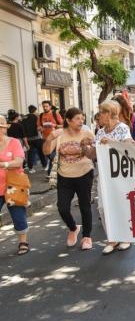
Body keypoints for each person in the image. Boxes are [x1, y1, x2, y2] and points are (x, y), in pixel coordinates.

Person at [84, 100, 135, 254]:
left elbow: (128, 148)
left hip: (120, 174)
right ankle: (112, 238)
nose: (99, 115)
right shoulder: (100, 132)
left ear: (109, 113)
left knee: (121, 204)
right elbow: (92, 155)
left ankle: (125, 237)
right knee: (103, 207)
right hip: (104, 174)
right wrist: (85, 146)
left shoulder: (123, 128)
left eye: (101, 112)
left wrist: (112, 142)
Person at [43, 107, 95, 250]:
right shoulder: (59, 134)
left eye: (82, 118)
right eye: (77, 118)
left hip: (84, 174)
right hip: (65, 176)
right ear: (68, 120)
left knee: (85, 206)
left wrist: (88, 147)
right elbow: (46, 151)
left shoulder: (87, 133)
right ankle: (73, 228)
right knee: (62, 208)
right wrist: (49, 138)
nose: (81, 121)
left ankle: (87, 237)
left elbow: (94, 156)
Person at [0, 115, 29, 255]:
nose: (0, 129)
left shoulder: (14, 142)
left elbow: (19, 162)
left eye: (1, 127)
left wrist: (3, 164)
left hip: (14, 185)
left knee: (18, 215)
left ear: (6, 128)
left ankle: (23, 241)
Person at [37, 100, 63, 177]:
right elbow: (38, 126)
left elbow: (63, 125)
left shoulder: (55, 114)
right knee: (48, 155)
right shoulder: (41, 115)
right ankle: (56, 171)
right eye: (43, 106)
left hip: (55, 138)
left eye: (46, 106)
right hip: (45, 138)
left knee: (52, 156)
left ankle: (50, 173)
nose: (45, 108)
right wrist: (40, 128)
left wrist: (55, 125)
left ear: (50, 107)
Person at [22, 105, 46, 172]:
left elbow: (23, 128)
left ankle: (31, 168)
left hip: (28, 139)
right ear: (35, 110)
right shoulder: (37, 117)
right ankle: (44, 166)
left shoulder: (24, 118)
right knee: (41, 152)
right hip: (37, 138)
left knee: (30, 154)